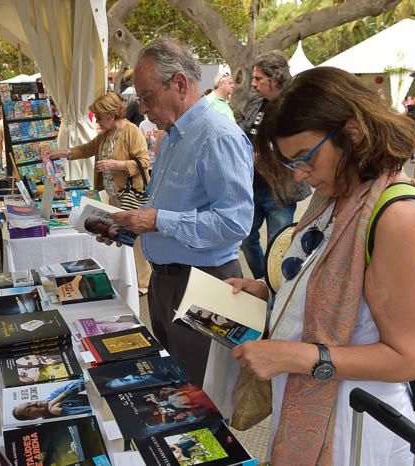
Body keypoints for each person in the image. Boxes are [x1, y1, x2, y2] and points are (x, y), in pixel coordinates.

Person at [228, 66, 415, 465]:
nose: (303, 176)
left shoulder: (398, 217)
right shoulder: (338, 193)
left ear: (353, 132)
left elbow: (406, 358)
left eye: (307, 159)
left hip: (356, 427)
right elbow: (335, 282)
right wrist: (272, 290)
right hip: (314, 405)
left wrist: (292, 356)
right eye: (293, 165)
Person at [99, 39, 253, 386]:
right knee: (176, 388)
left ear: (180, 84)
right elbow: (165, 206)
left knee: (204, 395)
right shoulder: (171, 137)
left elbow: (234, 222)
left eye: (148, 97)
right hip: (166, 281)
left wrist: (156, 220)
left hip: (207, 282)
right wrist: (126, 226)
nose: (143, 107)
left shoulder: (218, 136)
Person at [45, 91, 152, 295]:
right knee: (118, 237)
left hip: (131, 196)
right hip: (114, 195)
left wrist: (116, 164)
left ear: (112, 115)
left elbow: (144, 162)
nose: (97, 121)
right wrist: (63, 153)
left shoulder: (131, 131)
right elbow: (85, 150)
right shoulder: (105, 135)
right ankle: (129, 277)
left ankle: (144, 283)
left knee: (134, 240)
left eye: (100, 117)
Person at [238, 51, 311, 280]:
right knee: (246, 239)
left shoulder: (296, 104)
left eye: (259, 78)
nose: (254, 83)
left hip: (280, 189)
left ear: (275, 78)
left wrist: (269, 155)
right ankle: (267, 281)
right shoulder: (255, 99)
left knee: (276, 246)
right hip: (252, 185)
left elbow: (304, 144)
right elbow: (243, 123)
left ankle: (275, 289)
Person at [11, 380, 91, 420]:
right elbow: (93, 412)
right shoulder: (51, 422)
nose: (33, 403)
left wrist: (60, 397)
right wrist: (63, 411)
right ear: (33, 418)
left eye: (29, 402)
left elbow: (85, 382)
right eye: (29, 409)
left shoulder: (53, 396)